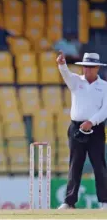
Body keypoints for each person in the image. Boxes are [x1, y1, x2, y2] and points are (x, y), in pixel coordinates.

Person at [57, 51, 107, 210]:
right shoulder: (76, 81)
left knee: (99, 165)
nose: (87, 70)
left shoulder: (104, 86)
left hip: (96, 129)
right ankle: (69, 202)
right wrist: (62, 64)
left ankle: (104, 202)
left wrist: (91, 122)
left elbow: (105, 110)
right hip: (76, 128)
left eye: (91, 67)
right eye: (85, 66)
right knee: (75, 164)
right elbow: (65, 74)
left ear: (97, 68)